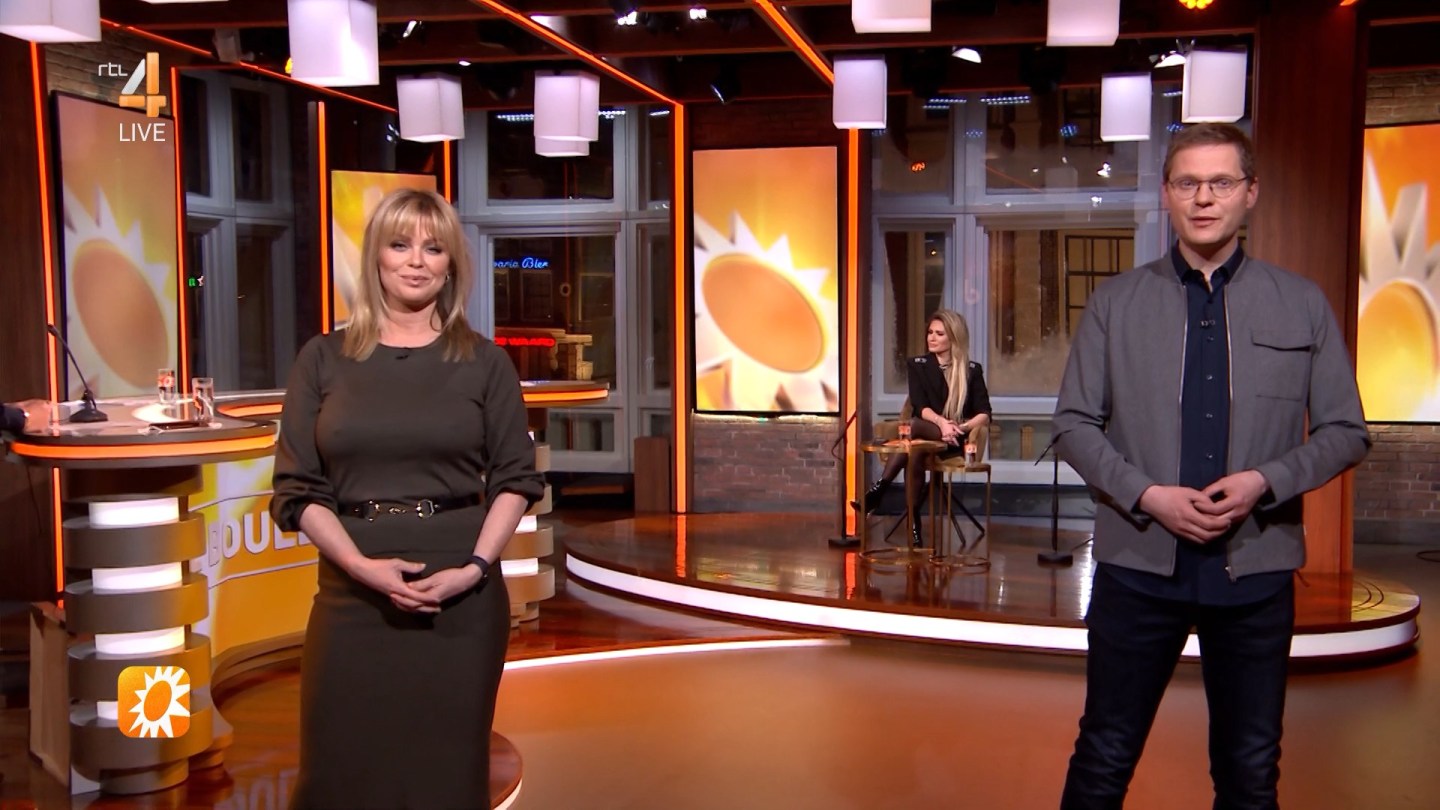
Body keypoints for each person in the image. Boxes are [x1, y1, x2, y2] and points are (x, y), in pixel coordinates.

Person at [1053, 123, 1370, 809]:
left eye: (1221, 182)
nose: (1204, 198)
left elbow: (1347, 432)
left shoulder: (1301, 302)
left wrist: (1265, 482)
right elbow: (1073, 425)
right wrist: (1148, 495)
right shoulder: (1115, 304)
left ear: (1250, 193)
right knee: (1103, 755)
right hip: (1137, 569)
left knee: (1250, 772)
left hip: (1254, 574)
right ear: (1167, 195)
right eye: (1188, 183)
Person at [271, 188, 543, 809]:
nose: (416, 261)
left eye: (433, 248)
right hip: (351, 596)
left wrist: (474, 568)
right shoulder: (322, 359)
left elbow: (515, 479)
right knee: (337, 779)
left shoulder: (485, 363)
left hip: (461, 600)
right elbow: (298, 488)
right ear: (376, 256)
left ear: (451, 265)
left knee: (443, 781)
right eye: (400, 245)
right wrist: (358, 566)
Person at [859, 309, 991, 547]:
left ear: (954, 337)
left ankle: (879, 491)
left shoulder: (972, 370)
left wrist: (959, 427)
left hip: (955, 440)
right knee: (915, 448)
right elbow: (920, 407)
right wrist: (942, 423)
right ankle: (913, 523)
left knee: (914, 431)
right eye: (930, 332)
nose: (932, 338)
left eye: (939, 334)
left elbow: (984, 413)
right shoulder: (917, 365)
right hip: (928, 432)